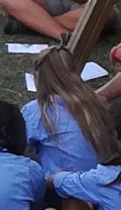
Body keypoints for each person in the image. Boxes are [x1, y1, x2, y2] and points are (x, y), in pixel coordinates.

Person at [22, 47, 116, 187]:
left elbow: (17, 149)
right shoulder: (96, 103)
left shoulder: (36, 111)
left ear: (39, 77)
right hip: (102, 184)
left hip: (63, 188)